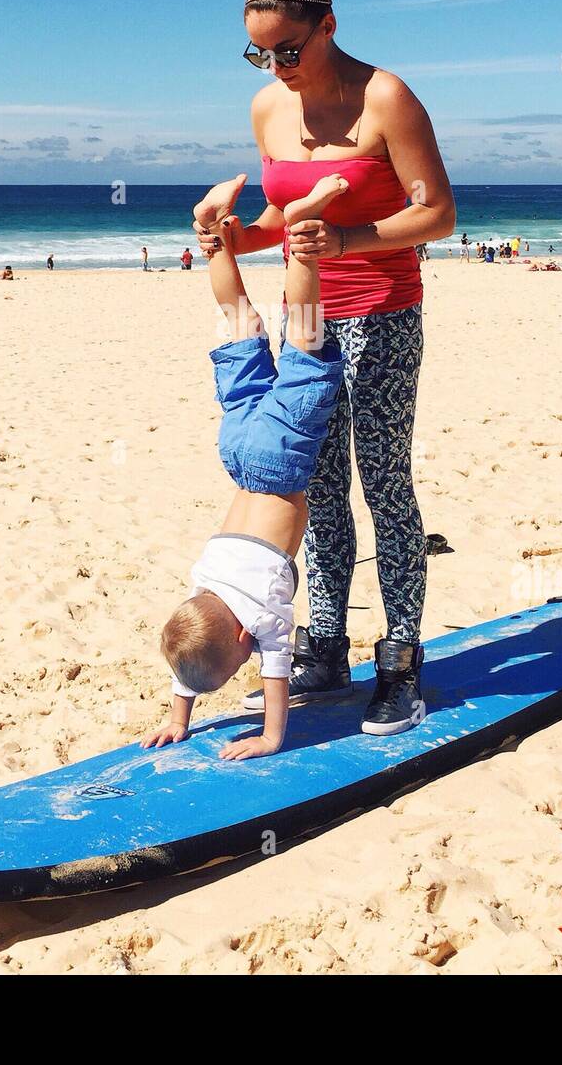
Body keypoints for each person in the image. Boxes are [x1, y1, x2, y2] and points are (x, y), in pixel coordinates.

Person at [190, 0, 455, 733]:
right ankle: (328, 642)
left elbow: (438, 214)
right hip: (309, 318)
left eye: (289, 49)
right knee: (320, 493)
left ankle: (402, 658)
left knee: (383, 486)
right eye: (261, 53)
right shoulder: (269, 106)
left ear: (327, 23)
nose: (277, 66)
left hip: (381, 312)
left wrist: (347, 238)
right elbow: (277, 217)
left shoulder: (386, 97)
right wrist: (232, 237)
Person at [144, 171, 348, 760]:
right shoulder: (203, 586)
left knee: (306, 336)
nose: (248, 660)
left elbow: (277, 673)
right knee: (242, 326)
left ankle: (303, 230)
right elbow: (190, 652)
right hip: (237, 452)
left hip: (282, 462)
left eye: (241, 660)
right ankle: (213, 232)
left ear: (242, 636)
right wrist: (178, 715)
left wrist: (272, 737)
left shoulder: (258, 615)